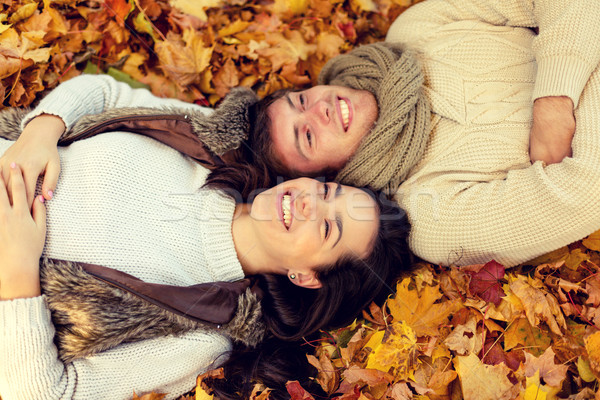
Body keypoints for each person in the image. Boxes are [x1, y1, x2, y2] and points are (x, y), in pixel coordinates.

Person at [0, 84, 412, 399]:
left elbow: (47, 393)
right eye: (326, 193)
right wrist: (40, 133)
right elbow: (107, 91)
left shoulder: (203, 332)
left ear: (305, 276)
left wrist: (16, 268)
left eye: (326, 228)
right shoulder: (209, 149)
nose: (309, 204)